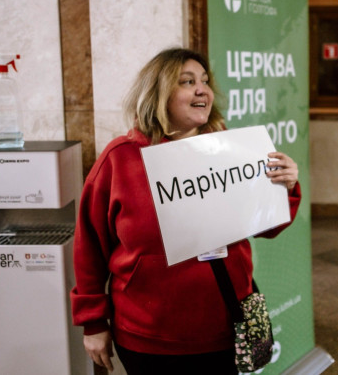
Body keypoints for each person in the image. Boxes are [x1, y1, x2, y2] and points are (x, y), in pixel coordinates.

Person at [70, 48, 301, 374]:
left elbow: (267, 225)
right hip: (149, 336)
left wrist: (284, 186)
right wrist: (93, 323)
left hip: (224, 328)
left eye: (205, 81)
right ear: (158, 93)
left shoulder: (231, 149)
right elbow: (90, 246)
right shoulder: (119, 159)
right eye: (187, 81)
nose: (202, 90)